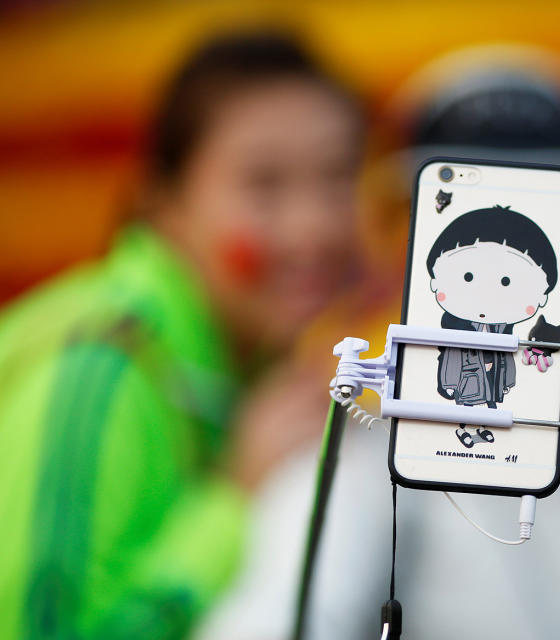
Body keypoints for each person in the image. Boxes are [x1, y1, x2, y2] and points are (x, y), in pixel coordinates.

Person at [0, 30, 364, 638]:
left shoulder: (258, 363)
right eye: (264, 185)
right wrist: (236, 496)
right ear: (164, 206)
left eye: (338, 176)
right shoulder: (103, 362)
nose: (314, 226)